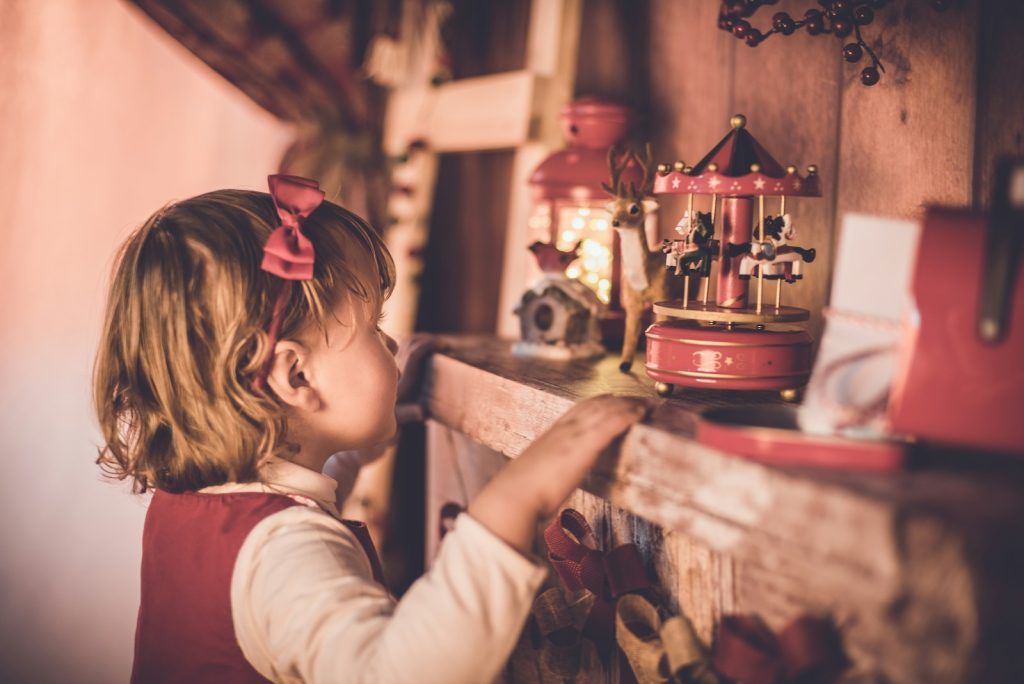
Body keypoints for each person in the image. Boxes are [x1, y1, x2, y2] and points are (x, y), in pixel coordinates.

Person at [93, 175, 647, 683]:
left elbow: (309, 472)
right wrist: (514, 498)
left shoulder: (188, 504)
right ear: (296, 373)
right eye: (373, 327)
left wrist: (386, 410)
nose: (390, 345)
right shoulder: (287, 550)